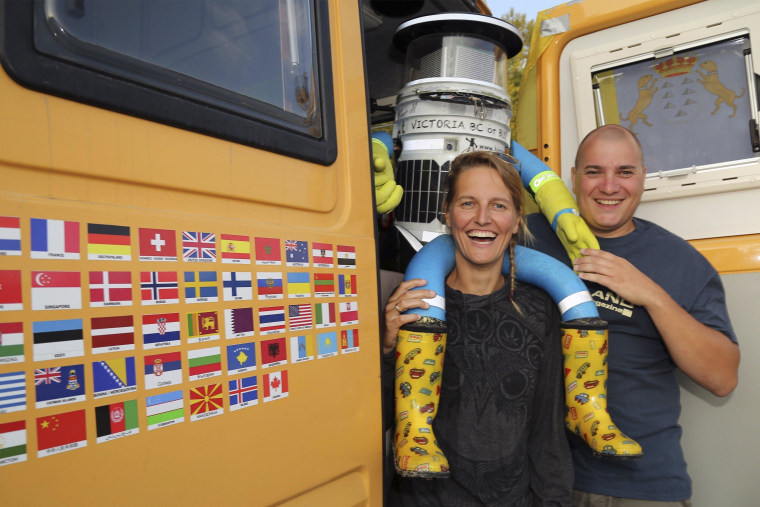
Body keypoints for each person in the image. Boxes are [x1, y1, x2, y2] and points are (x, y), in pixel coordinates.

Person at [524, 124, 740, 506]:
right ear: (573, 178)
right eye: (594, 172)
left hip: (638, 485)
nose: (609, 186)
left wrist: (650, 295)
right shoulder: (524, 236)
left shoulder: (680, 262)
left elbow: (722, 378)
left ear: (642, 177)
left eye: (624, 172)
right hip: (530, 477)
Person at [382, 150, 573, 506]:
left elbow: (547, 434)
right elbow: (372, 421)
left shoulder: (541, 309)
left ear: (517, 219)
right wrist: (387, 350)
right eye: (468, 203)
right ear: (447, 212)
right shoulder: (410, 303)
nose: (482, 218)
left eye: (499, 206)